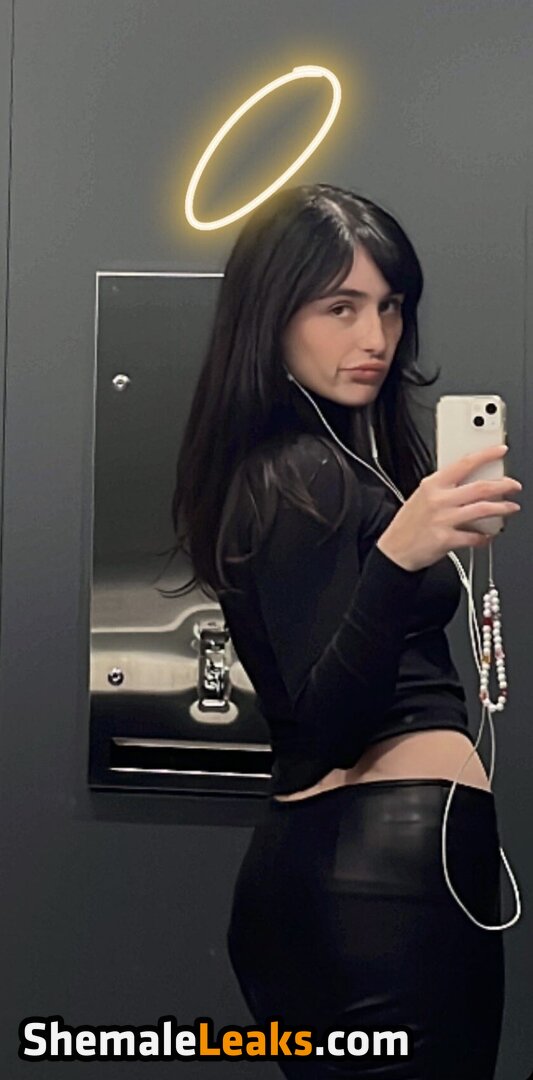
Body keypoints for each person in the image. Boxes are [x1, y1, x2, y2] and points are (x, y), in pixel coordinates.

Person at [162, 183, 522, 1077]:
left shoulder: (328, 464)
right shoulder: (298, 475)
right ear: (272, 316)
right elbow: (325, 727)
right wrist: (399, 559)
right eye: (340, 307)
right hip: (375, 884)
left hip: (366, 874)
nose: (375, 338)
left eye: (389, 307)